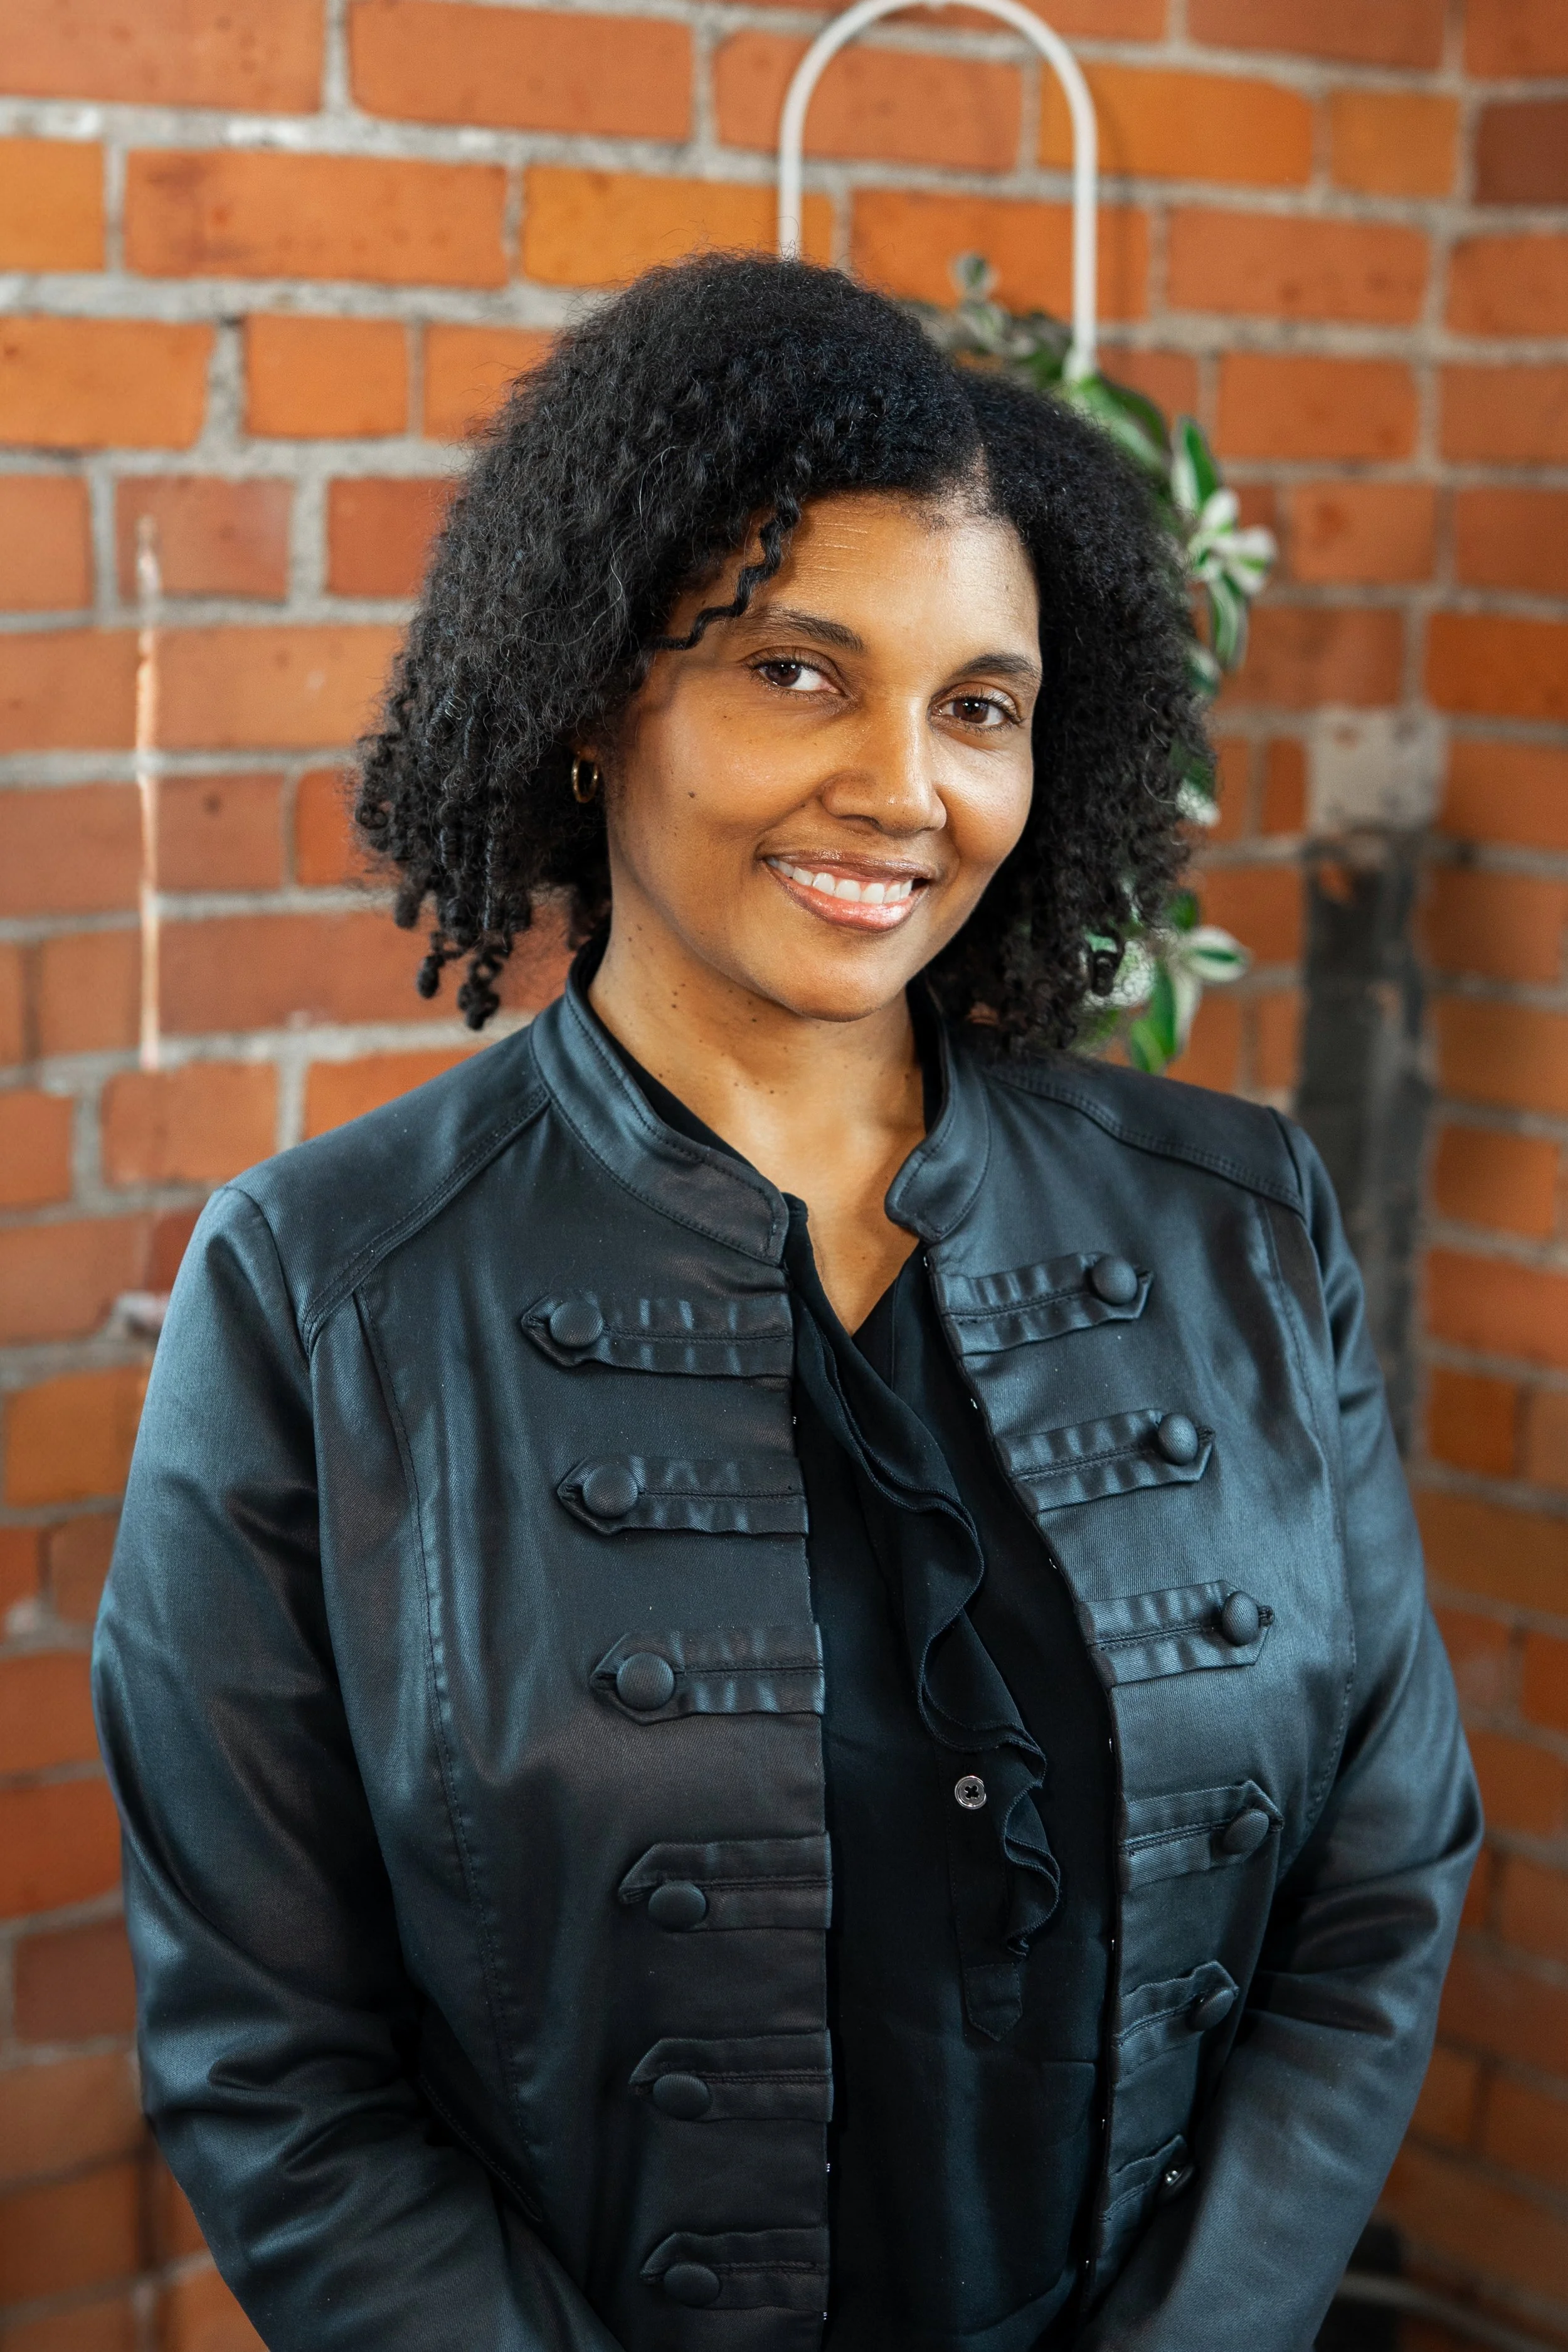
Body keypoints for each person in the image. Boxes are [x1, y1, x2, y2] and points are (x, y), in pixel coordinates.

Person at [94, 255, 1479, 2352]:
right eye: (797, 674)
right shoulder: (324, 1294)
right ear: (592, 698)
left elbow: (1380, 1885)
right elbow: (273, 2065)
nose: (906, 791)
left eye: (977, 706)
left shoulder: (1239, 1225)